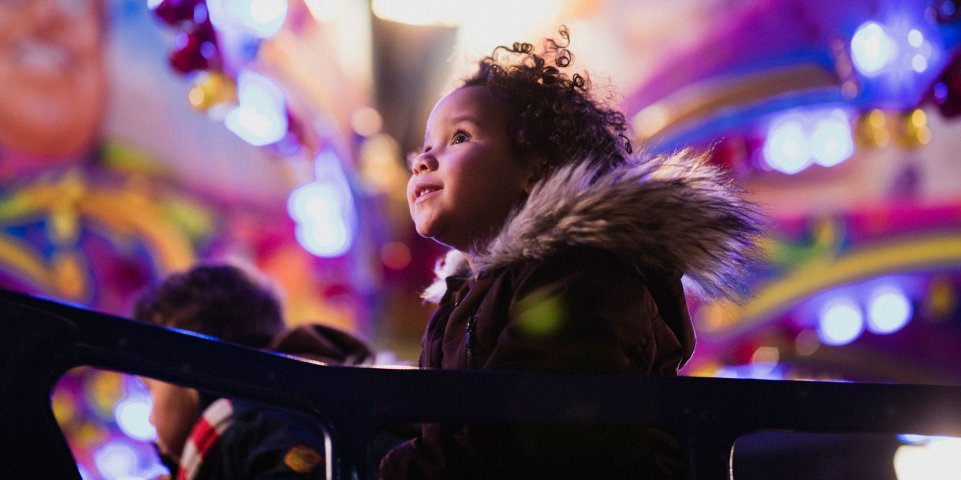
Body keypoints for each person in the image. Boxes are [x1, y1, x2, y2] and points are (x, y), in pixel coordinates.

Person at [379, 27, 763, 479]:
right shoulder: (461, 299)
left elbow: (533, 428)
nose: (424, 160)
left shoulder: (581, 274)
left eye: (459, 138)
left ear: (531, 167)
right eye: (423, 150)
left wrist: (396, 467)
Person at [133, 263, 374, 479]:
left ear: (188, 369)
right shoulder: (280, 417)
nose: (150, 419)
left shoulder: (262, 425)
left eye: (149, 390)